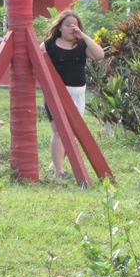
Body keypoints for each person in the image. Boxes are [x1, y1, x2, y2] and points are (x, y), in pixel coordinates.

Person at [40, 10, 104, 178]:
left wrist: (83, 36)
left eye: (75, 25)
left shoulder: (81, 46)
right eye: (68, 25)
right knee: (60, 131)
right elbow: (37, 63)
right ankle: (59, 171)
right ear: (60, 27)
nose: (71, 28)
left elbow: (99, 55)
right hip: (57, 93)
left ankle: (54, 165)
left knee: (73, 131)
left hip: (78, 93)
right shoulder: (49, 45)